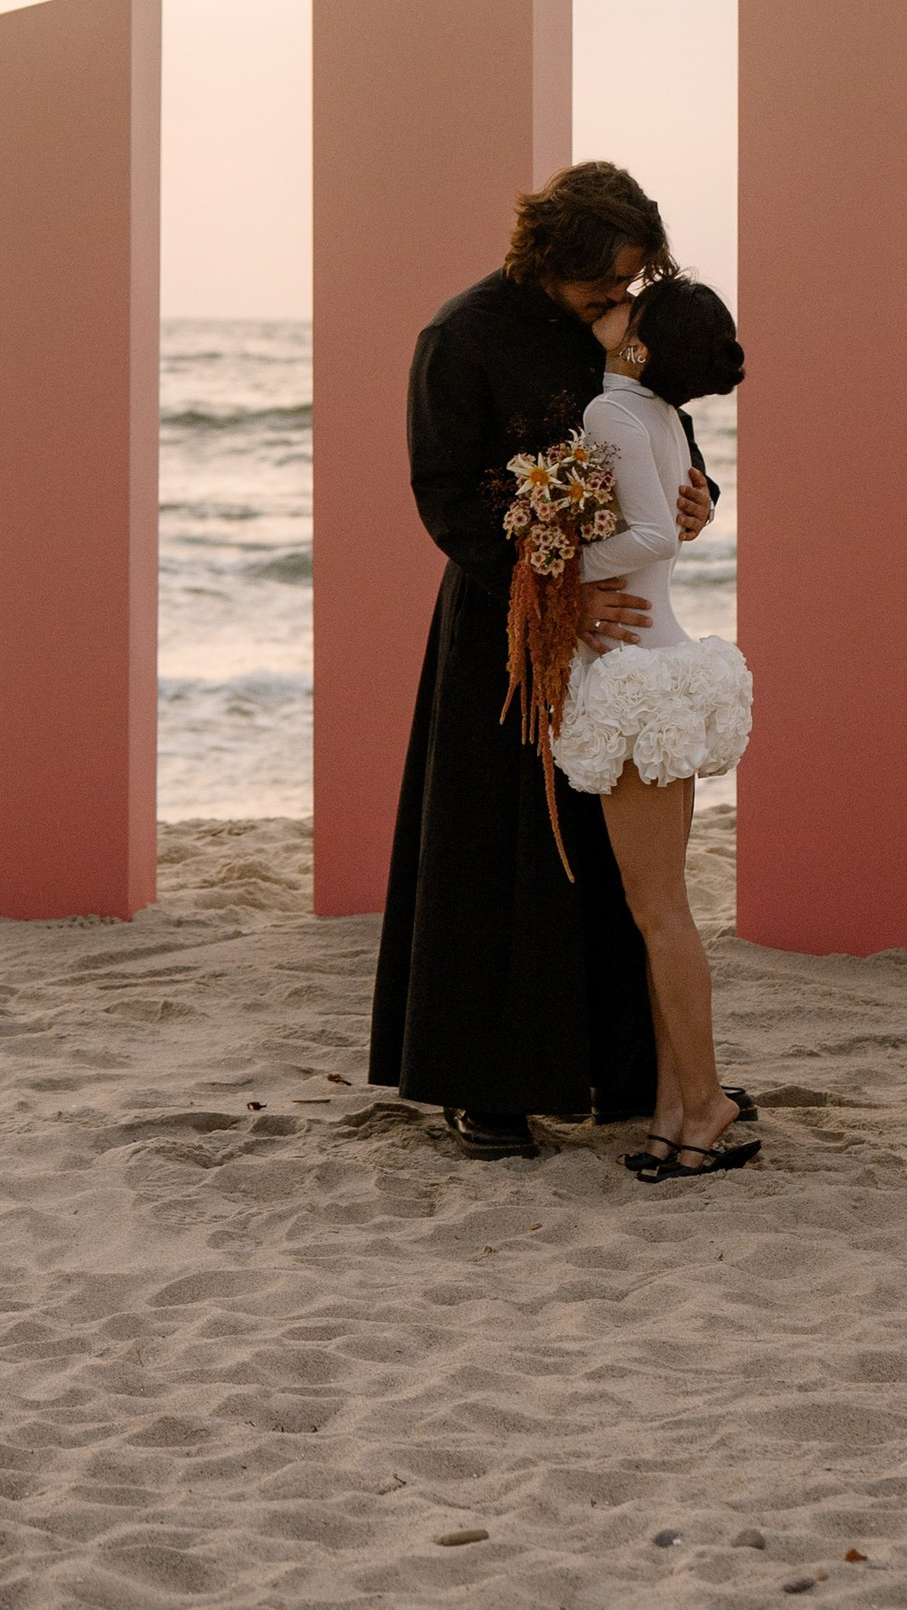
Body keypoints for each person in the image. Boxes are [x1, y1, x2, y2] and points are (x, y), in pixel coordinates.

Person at [367, 160, 744, 1160]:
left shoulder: (614, 332)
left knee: (609, 859)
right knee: (493, 846)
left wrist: (700, 496)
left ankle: (626, 1071)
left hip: (616, 636)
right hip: (504, 624)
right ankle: (485, 1088)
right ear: (548, 256)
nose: (617, 300)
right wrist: (553, 592)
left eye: (630, 283)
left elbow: (667, 429)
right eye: (603, 281)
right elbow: (445, 495)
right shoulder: (459, 337)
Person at [554, 285, 756, 1181]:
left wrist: (552, 569)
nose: (615, 304)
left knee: (659, 910)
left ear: (639, 346)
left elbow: (649, 536)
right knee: (660, 908)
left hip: (638, 680)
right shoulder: (661, 414)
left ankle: (703, 1100)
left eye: (631, 306)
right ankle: (675, 1109)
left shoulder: (612, 410)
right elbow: (669, 524)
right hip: (665, 664)